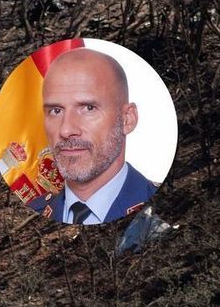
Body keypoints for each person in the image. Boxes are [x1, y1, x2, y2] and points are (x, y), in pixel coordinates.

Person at [41, 48, 157, 224]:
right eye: (56, 111)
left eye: (88, 108)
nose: (66, 130)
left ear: (127, 119)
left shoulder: (158, 211)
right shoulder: (38, 209)